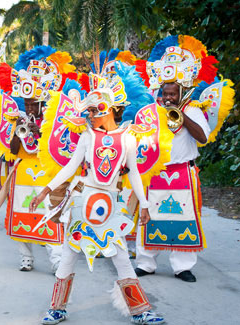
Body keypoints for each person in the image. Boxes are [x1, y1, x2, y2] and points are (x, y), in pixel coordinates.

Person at [30, 67, 165, 325]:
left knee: (121, 256)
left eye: (94, 110)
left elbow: (134, 174)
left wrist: (144, 205)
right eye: (88, 111)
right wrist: (46, 190)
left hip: (110, 205)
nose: (90, 116)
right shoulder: (87, 137)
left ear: (110, 109)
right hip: (83, 202)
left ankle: (140, 311)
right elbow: (70, 167)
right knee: (69, 255)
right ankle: (57, 308)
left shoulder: (128, 138)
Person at [133, 35, 233, 283]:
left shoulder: (193, 110)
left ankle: (182, 267)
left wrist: (182, 115)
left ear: (181, 93)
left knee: (184, 217)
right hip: (156, 173)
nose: (168, 98)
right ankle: (146, 263)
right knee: (149, 216)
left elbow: (202, 138)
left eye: (172, 94)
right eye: (165, 93)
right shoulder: (151, 111)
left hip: (183, 173)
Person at [0, 46, 76, 272]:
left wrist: (39, 131)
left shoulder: (53, 119)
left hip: (45, 175)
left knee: (48, 213)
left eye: (33, 103)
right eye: (26, 102)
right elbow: (12, 148)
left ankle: (56, 258)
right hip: (22, 174)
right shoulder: (17, 117)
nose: (29, 106)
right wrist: (20, 128)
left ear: (43, 102)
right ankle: (25, 257)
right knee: (22, 213)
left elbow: (59, 147)